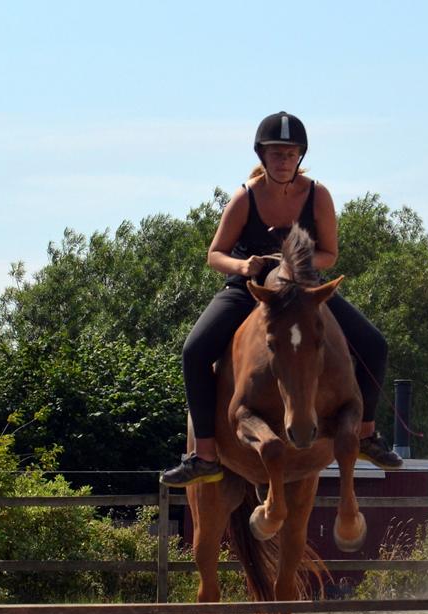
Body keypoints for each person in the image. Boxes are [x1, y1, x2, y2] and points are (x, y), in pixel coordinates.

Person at [160, 111, 403, 487]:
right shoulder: (245, 197)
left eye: (290, 154)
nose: (283, 161)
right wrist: (243, 266)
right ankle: (205, 455)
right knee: (194, 350)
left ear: (300, 156)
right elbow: (214, 254)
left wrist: (293, 263)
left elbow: (329, 255)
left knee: (374, 343)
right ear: (263, 156)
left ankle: (367, 434)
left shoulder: (318, 195)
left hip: (302, 289)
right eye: (276, 154)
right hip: (251, 288)